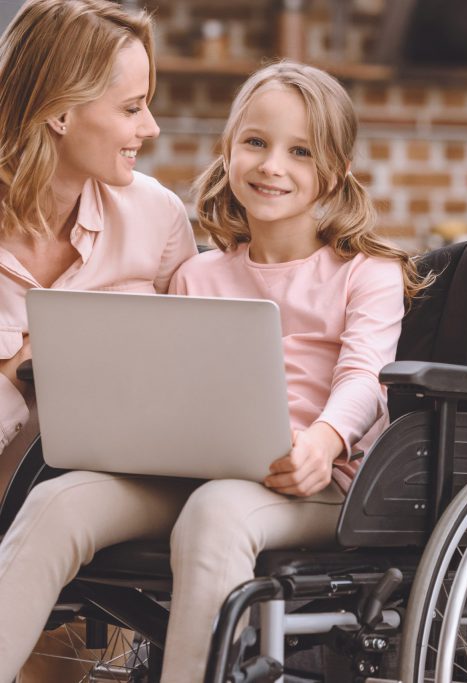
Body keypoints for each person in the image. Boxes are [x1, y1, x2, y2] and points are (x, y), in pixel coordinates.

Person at [0, 60, 429, 682]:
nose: (271, 165)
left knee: (219, 510)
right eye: (255, 142)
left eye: (300, 151)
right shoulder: (198, 277)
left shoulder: (366, 272)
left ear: (334, 171)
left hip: (314, 481)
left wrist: (325, 439)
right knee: (58, 502)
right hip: (192, 470)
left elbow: (366, 376)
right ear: (228, 150)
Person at [0, 0, 197, 679]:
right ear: (60, 112)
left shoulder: (156, 217)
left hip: (92, 486)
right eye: (131, 107)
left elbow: (192, 363)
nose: (150, 127)